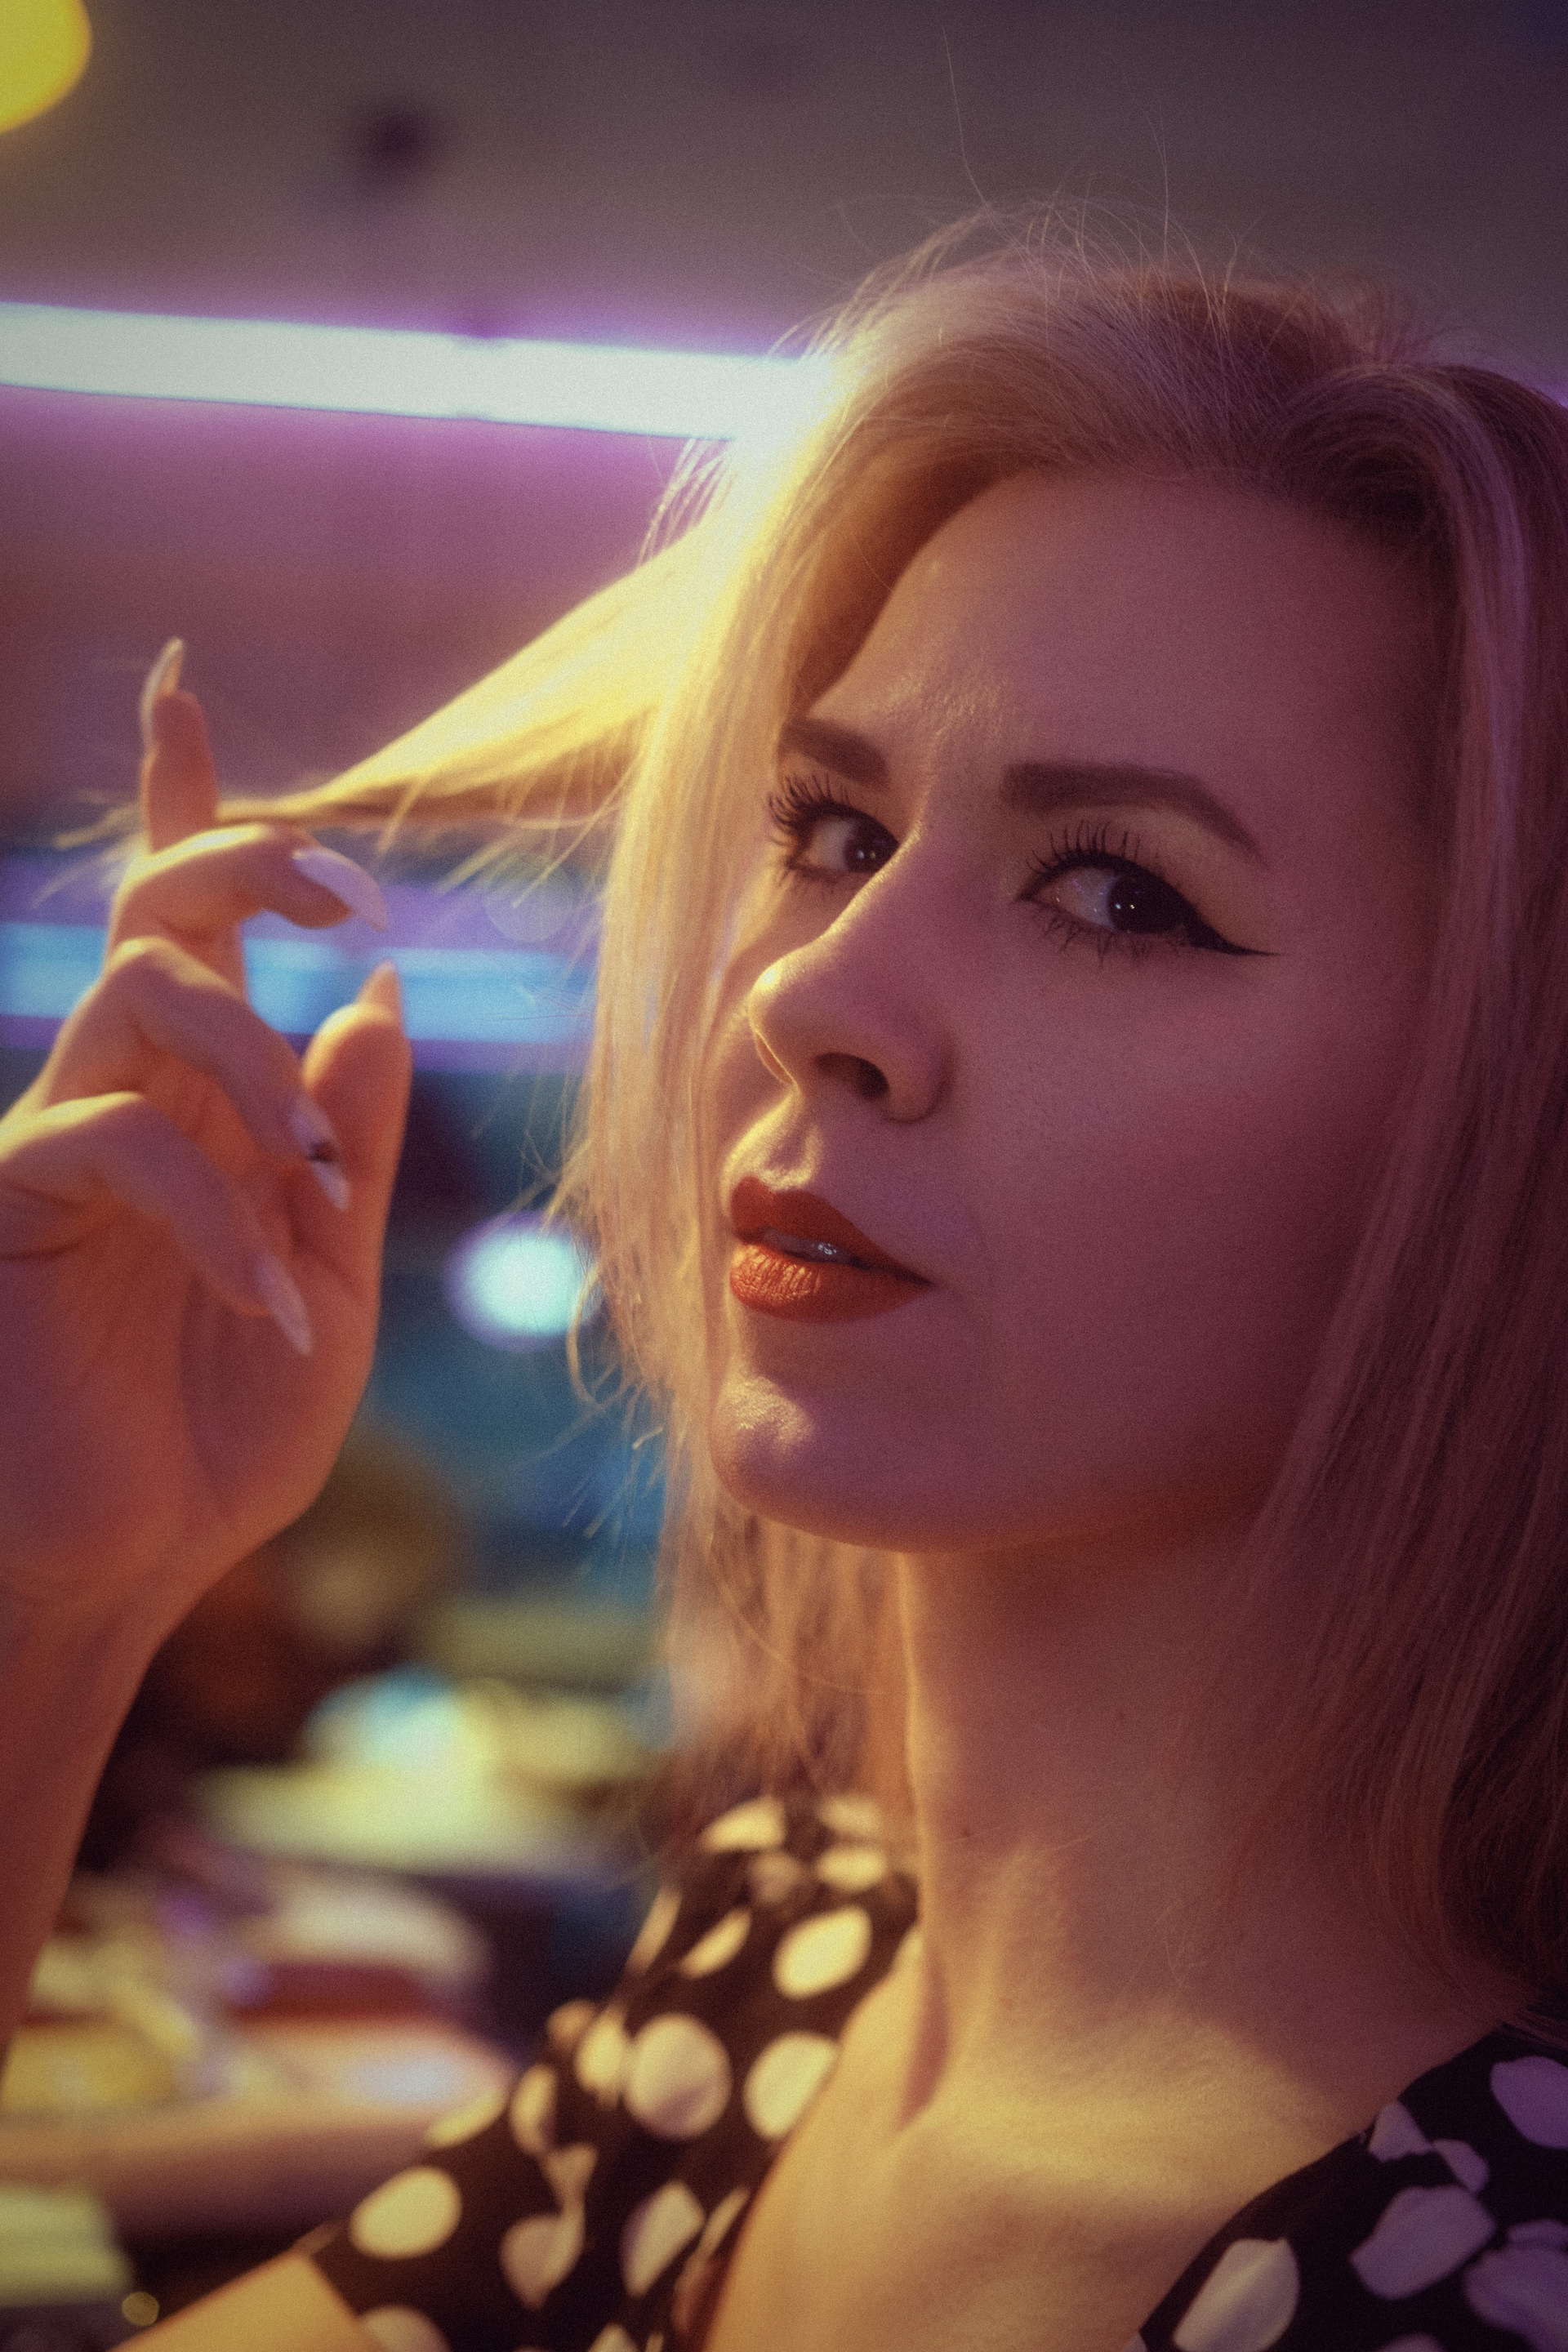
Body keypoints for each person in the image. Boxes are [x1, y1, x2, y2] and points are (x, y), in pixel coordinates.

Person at [3, 218, 1568, 2350]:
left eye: (1122, 892)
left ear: (1498, 1138)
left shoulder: (1484, 2284)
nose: (813, 990)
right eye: (832, 828)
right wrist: (60, 1590)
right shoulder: (773, 1996)